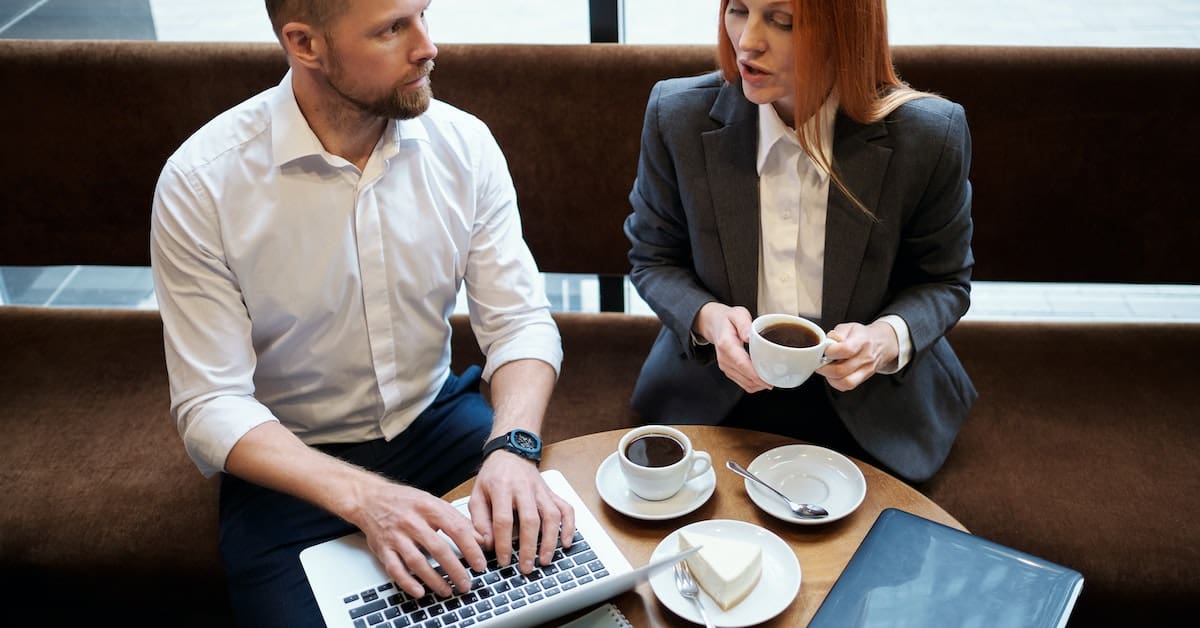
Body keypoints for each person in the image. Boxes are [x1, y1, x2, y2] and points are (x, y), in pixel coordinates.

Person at [149, 1, 573, 625]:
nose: (428, 46)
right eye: (393, 28)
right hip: (294, 463)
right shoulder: (201, 183)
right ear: (306, 44)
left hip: (440, 422)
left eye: (424, 15)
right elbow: (210, 403)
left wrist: (512, 445)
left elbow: (519, 322)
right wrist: (368, 499)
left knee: (572, 591)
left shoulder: (464, 145)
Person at [623, 0, 977, 483]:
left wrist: (883, 340)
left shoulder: (930, 136)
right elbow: (652, 258)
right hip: (716, 393)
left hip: (874, 404)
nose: (746, 40)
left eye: (782, 20)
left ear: (845, 31)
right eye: (738, 10)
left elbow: (946, 282)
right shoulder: (677, 116)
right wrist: (708, 321)